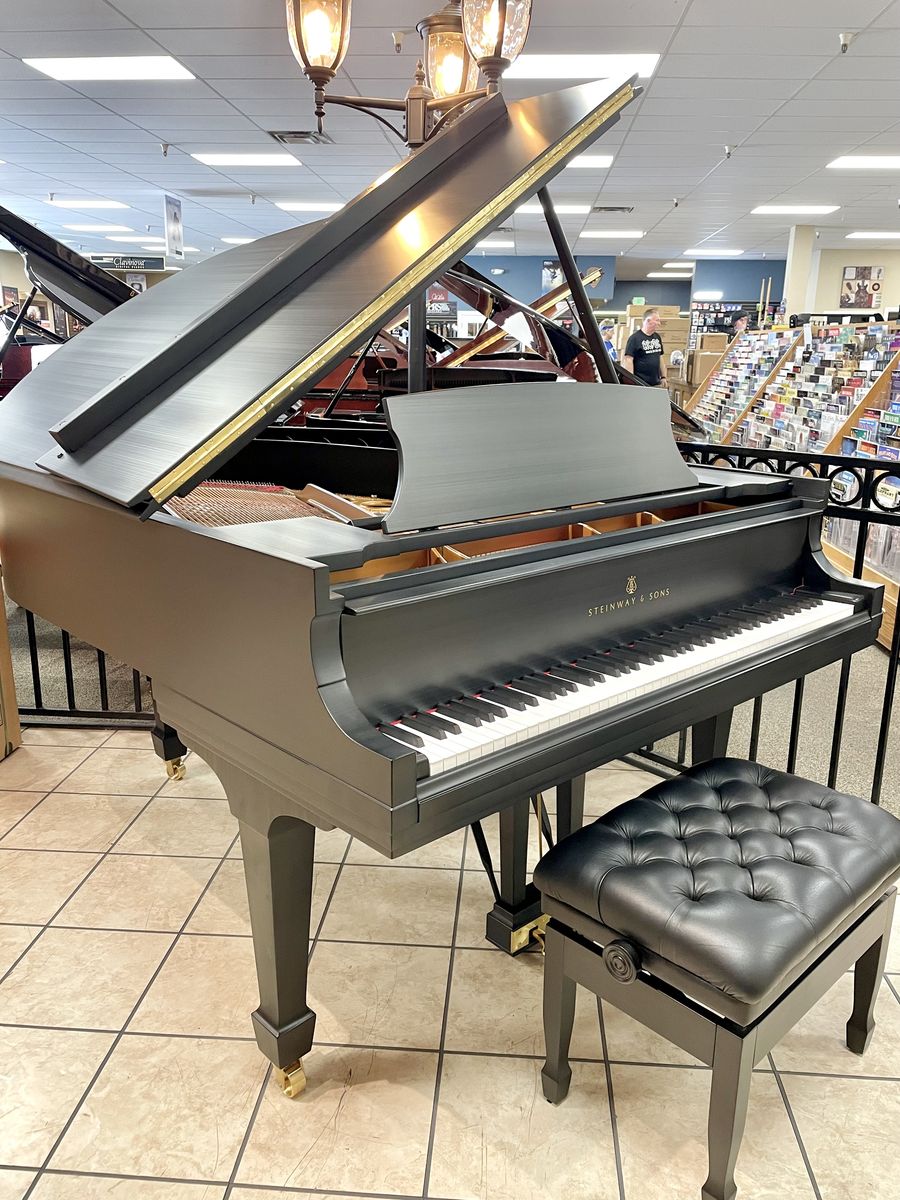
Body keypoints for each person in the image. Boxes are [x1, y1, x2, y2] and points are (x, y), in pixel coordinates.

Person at [623, 308, 667, 388]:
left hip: (656, 384)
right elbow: (628, 360)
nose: (659, 323)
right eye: (657, 320)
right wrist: (632, 382)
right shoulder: (634, 338)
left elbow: (660, 357)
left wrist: (663, 377)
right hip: (641, 384)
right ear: (648, 321)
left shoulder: (657, 337)